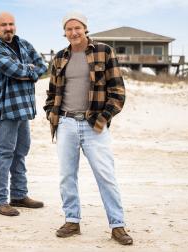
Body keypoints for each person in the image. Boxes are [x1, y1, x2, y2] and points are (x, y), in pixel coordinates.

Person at [43, 12, 133, 245]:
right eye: (69, 29)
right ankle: (72, 220)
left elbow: (118, 93)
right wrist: (50, 113)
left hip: (95, 126)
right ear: (64, 32)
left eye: (78, 28)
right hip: (65, 123)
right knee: (66, 176)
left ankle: (117, 225)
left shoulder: (103, 51)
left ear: (85, 29)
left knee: (106, 176)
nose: (73, 32)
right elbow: (52, 92)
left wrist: (102, 119)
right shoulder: (60, 57)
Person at [0, 12, 47, 216]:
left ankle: (19, 195)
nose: (8, 28)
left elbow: (43, 66)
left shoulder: (24, 44)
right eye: (4, 25)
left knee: (21, 153)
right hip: (5, 109)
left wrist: (28, 70)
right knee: (5, 153)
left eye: (11, 24)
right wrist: (28, 70)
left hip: (24, 109)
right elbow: (14, 70)